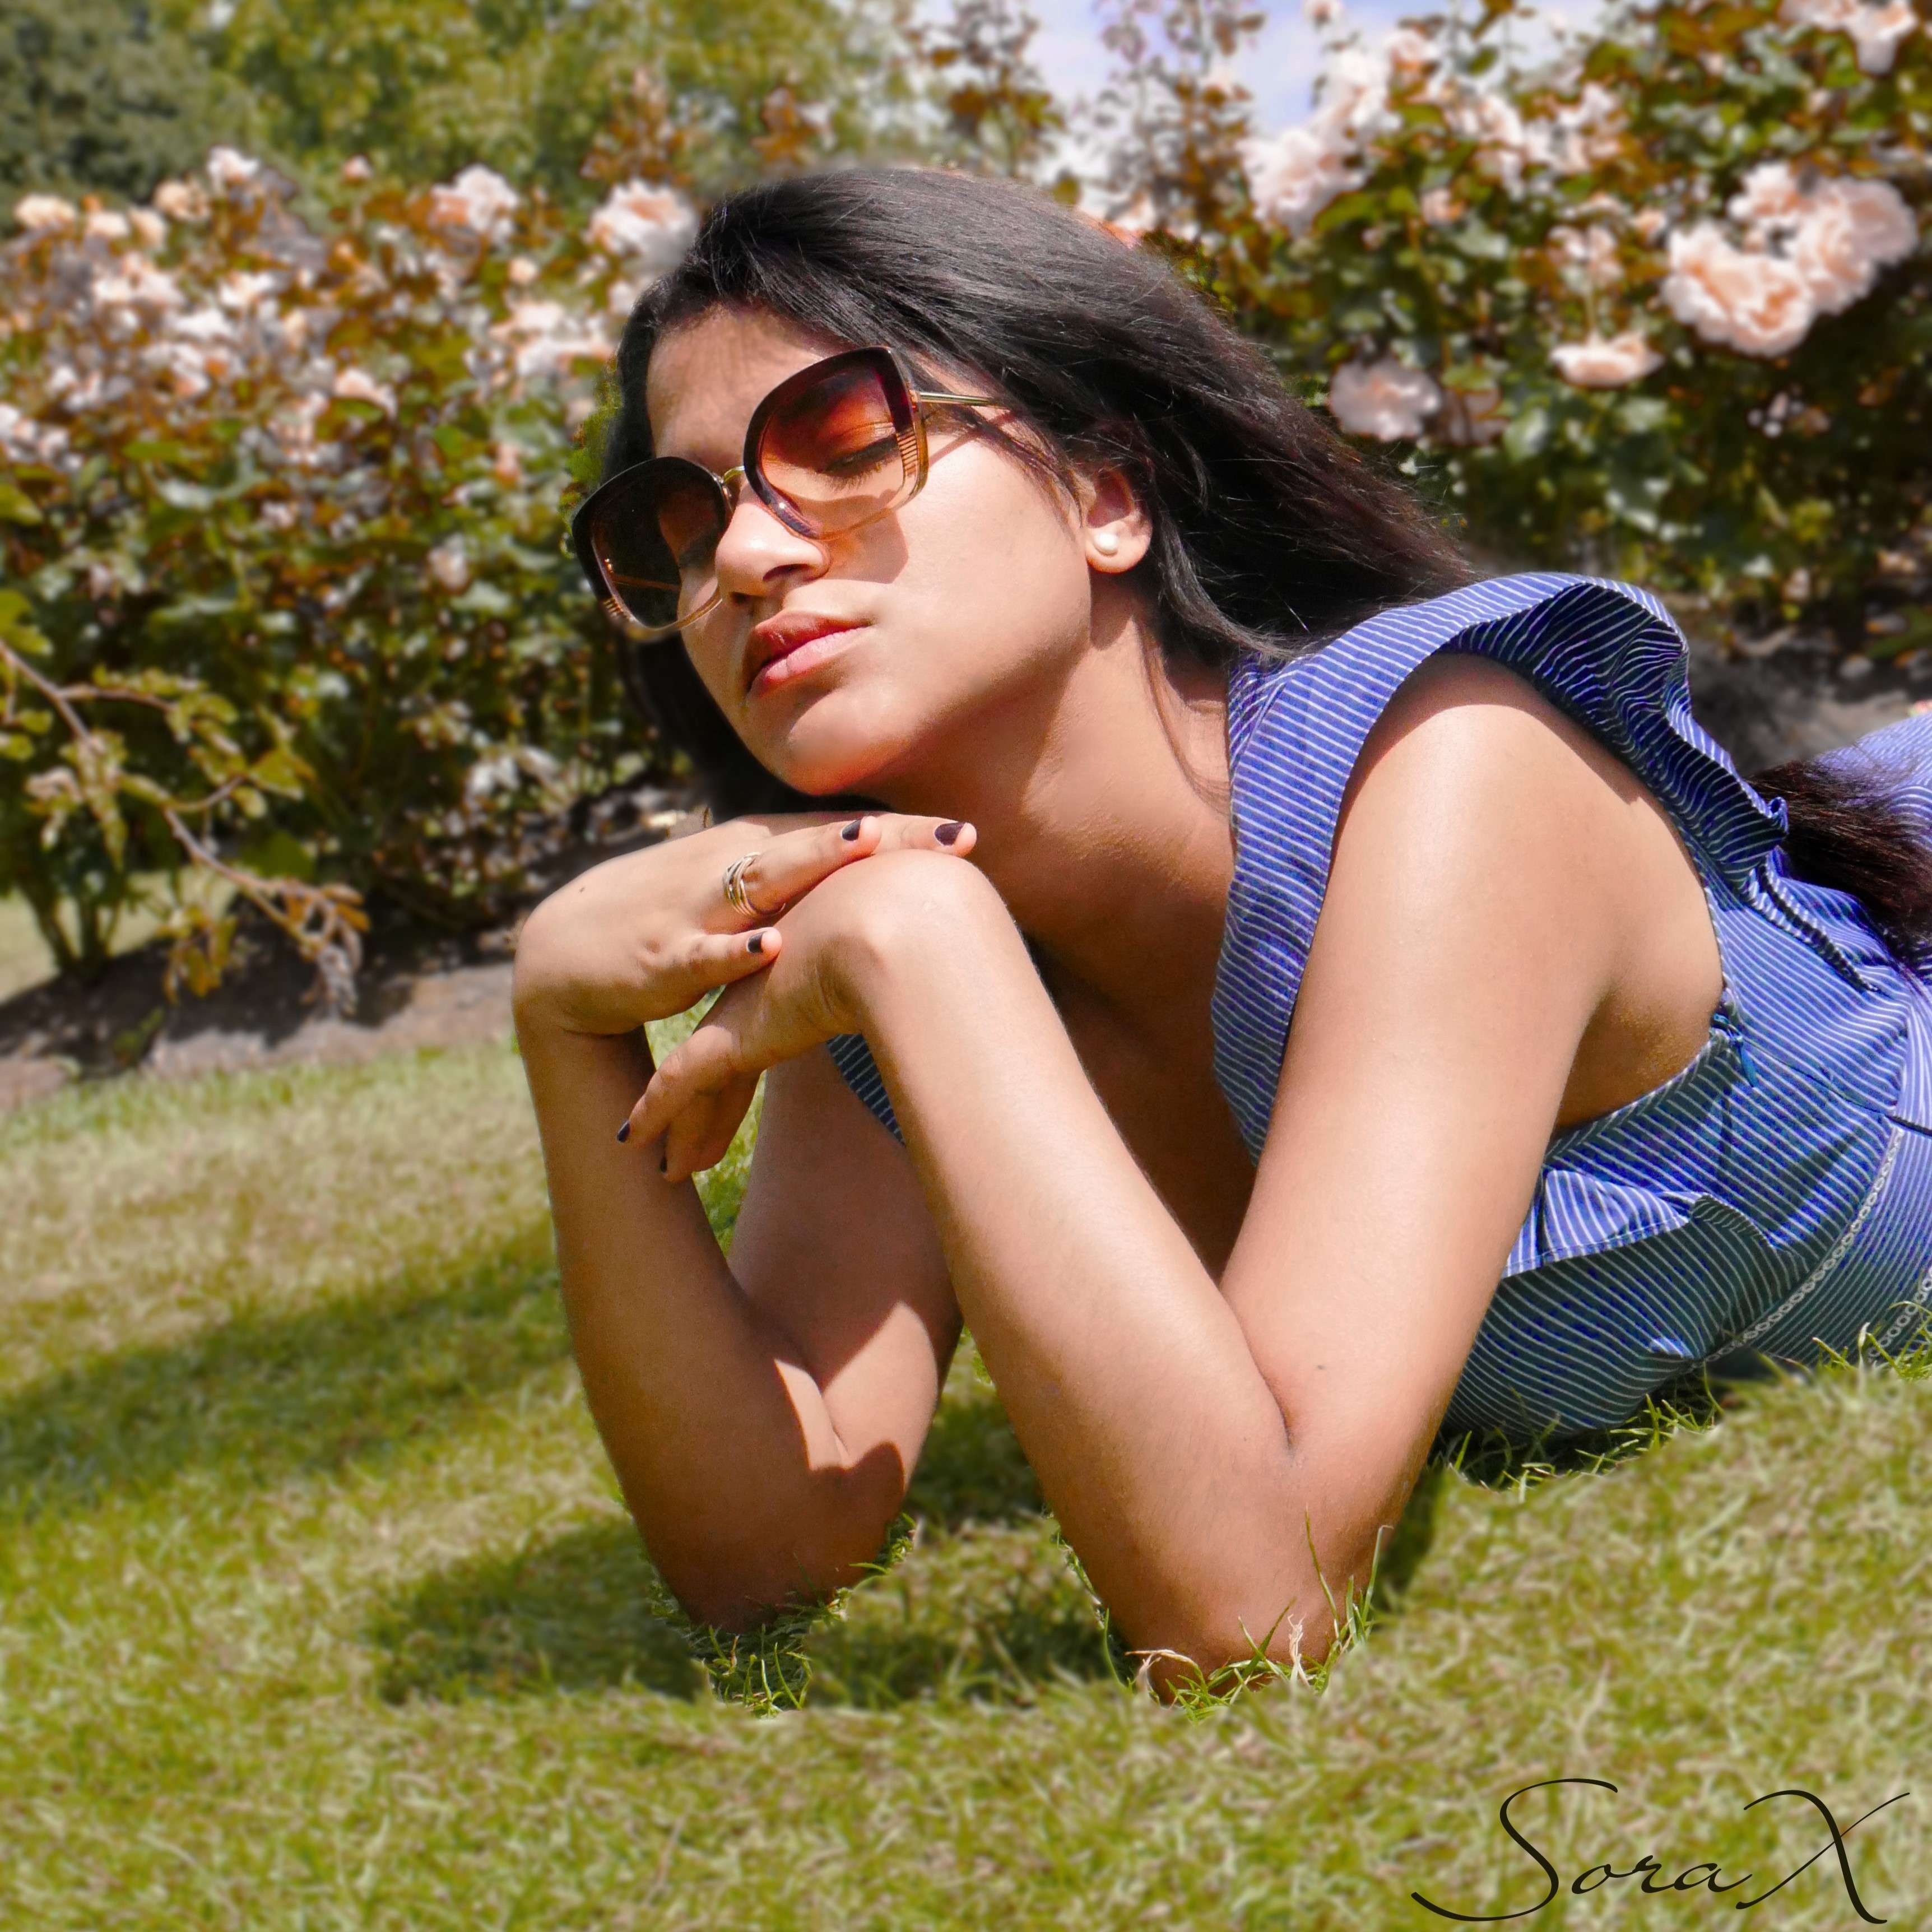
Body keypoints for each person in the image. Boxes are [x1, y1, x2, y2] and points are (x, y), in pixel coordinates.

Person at [511, 166, 1932, 1697]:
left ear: (1103, 495)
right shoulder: (892, 941)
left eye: (843, 438)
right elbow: (763, 1549)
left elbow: (1246, 1606)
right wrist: (564, 1026)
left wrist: (922, 942)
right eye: (682, 516)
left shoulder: (1450, 774)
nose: (745, 558)